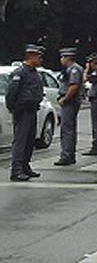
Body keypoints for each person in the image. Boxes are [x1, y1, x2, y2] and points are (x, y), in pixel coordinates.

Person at [6, 44, 46, 181]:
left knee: (30, 140)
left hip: (32, 109)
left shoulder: (35, 73)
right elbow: (11, 93)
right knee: (21, 141)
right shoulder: (20, 72)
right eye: (39, 57)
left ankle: (25, 166)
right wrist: (14, 108)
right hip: (22, 110)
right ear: (31, 56)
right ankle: (16, 170)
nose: (41, 59)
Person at [54, 47, 84, 166]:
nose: (61, 60)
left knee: (67, 129)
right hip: (69, 101)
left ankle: (67, 155)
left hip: (70, 102)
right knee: (68, 128)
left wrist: (65, 99)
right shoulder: (70, 69)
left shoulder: (74, 70)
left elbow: (74, 86)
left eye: (62, 57)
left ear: (67, 57)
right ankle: (68, 154)